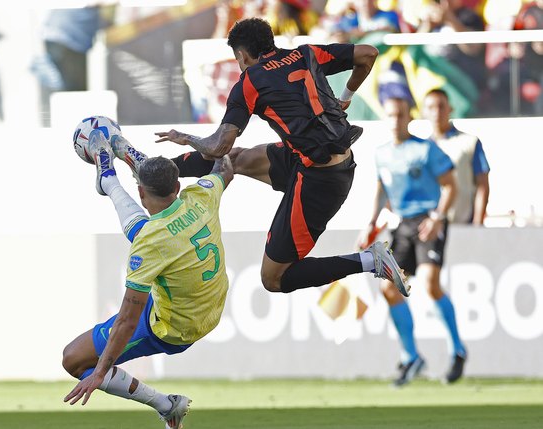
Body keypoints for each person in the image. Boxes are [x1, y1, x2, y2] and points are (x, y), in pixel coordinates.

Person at [147, 17, 410, 298]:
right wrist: (346, 96)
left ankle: (371, 260)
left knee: (273, 277)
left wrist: (186, 138)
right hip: (321, 159)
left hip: (319, 181)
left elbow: (218, 145)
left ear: (241, 55)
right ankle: (153, 168)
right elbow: (368, 53)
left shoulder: (250, 81)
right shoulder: (306, 53)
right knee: (236, 160)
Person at [62, 130, 234, 429]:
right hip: (207, 304)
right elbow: (225, 167)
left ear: (141, 193)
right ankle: (115, 176)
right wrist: (198, 143)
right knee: (149, 232)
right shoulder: (202, 195)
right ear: (178, 185)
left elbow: (128, 321)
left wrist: (101, 372)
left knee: (74, 359)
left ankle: (167, 405)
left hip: (176, 326)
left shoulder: (148, 244)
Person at [360, 96, 465, 387]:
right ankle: (411, 356)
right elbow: (381, 191)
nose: (395, 121)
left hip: (428, 221)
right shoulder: (382, 153)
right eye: (391, 116)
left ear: (409, 117)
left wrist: (437, 217)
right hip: (402, 226)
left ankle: (457, 350)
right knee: (388, 289)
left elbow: (450, 185)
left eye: (400, 115)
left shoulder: (425, 149)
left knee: (430, 283)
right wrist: (370, 223)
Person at [422, 88, 490, 225]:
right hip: (431, 228)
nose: (436, 112)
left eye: (441, 106)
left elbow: (482, 185)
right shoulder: (421, 148)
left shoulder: (469, 142)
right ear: (423, 112)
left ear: (450, 108)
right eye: (431, 107)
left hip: (462, 224)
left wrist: (477, 224)